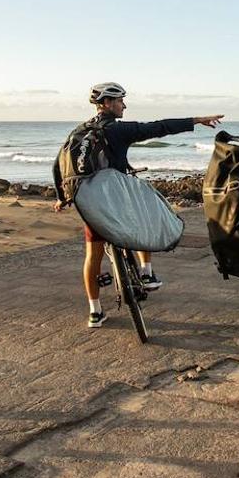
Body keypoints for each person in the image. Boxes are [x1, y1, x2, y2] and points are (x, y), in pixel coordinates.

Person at [53, 82, 223, 327]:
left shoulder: (80, 132)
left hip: (91, 205)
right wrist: (196, 120)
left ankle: (95, 312)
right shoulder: (117, 130)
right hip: (116, 201)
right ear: (108, 103)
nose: (124, 105)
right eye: (121, 100)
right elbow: (158, 128)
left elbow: (58, 164)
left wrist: (62, 196)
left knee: (93, 254)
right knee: (146, 215)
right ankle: (147, 273)